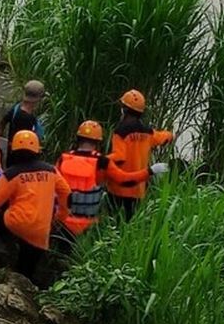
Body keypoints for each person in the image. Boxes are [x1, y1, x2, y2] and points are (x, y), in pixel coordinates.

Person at [0, 130, 71, 281]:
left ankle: (2, 252)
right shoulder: (51, 170)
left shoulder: (11, 174)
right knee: (29, 266)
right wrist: (60, 217)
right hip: (41, 229)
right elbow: (66, 193)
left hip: (16, 224)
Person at [55, 120, 166, 238]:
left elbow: (53, 187)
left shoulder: (63, 159)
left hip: (62, 224)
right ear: (98, 143)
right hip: (87, 227)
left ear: (78, 139)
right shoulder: (102, 162)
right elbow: (125, 180)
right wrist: (150, 171)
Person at [107, 89, 174, 219]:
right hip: (138, 188)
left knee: (115, 221)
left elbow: (119, 157)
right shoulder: (147, 132)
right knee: (131, 221)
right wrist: (170, 135)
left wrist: (101, 160)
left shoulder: (120, 132)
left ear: (124, 110)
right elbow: (162, 137)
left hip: (118, 188)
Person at [0, 80, 46, 166]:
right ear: (38, 99)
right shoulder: (26, 118)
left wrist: (0, 133)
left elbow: (4, 120)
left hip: (12, 154)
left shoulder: (17, 107)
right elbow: (26, 144)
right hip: (22, 161)